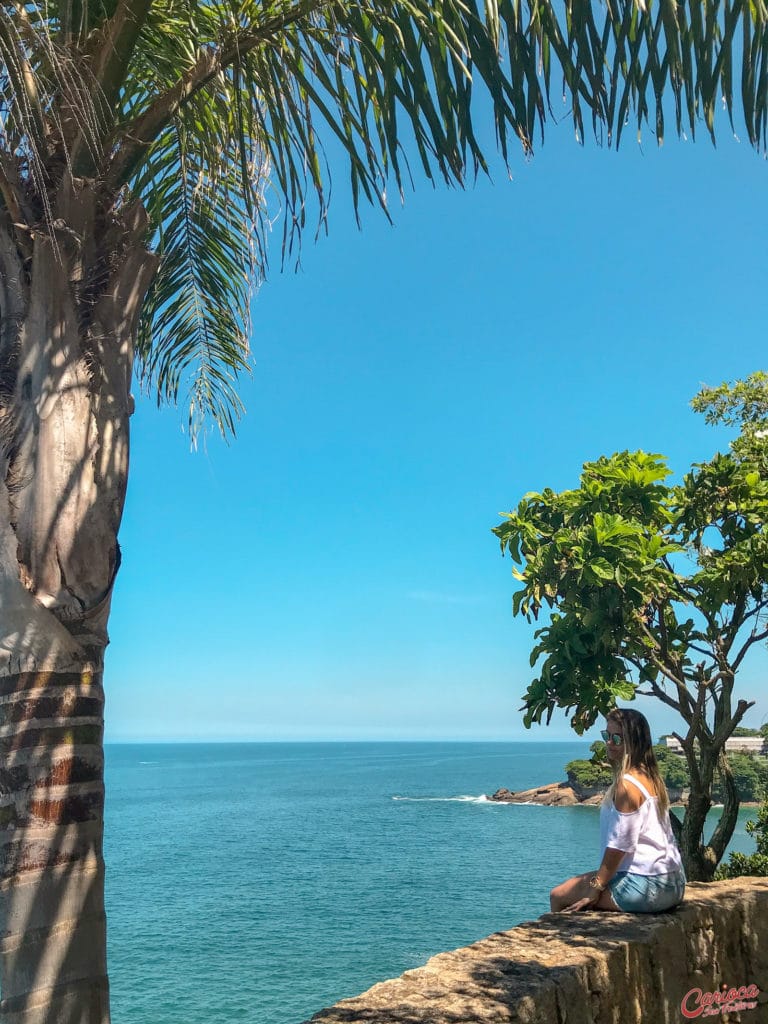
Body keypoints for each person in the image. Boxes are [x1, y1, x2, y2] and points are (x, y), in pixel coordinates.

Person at [549, 707, 686, 914]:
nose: (609, 743)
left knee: (558, 896)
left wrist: (595, 888)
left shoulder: (627, 785)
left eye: (618, 738)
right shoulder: (650, 777)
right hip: (673, 883)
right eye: (607, 736)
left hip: (644, 886)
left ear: (633, 742)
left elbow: (619, 845)